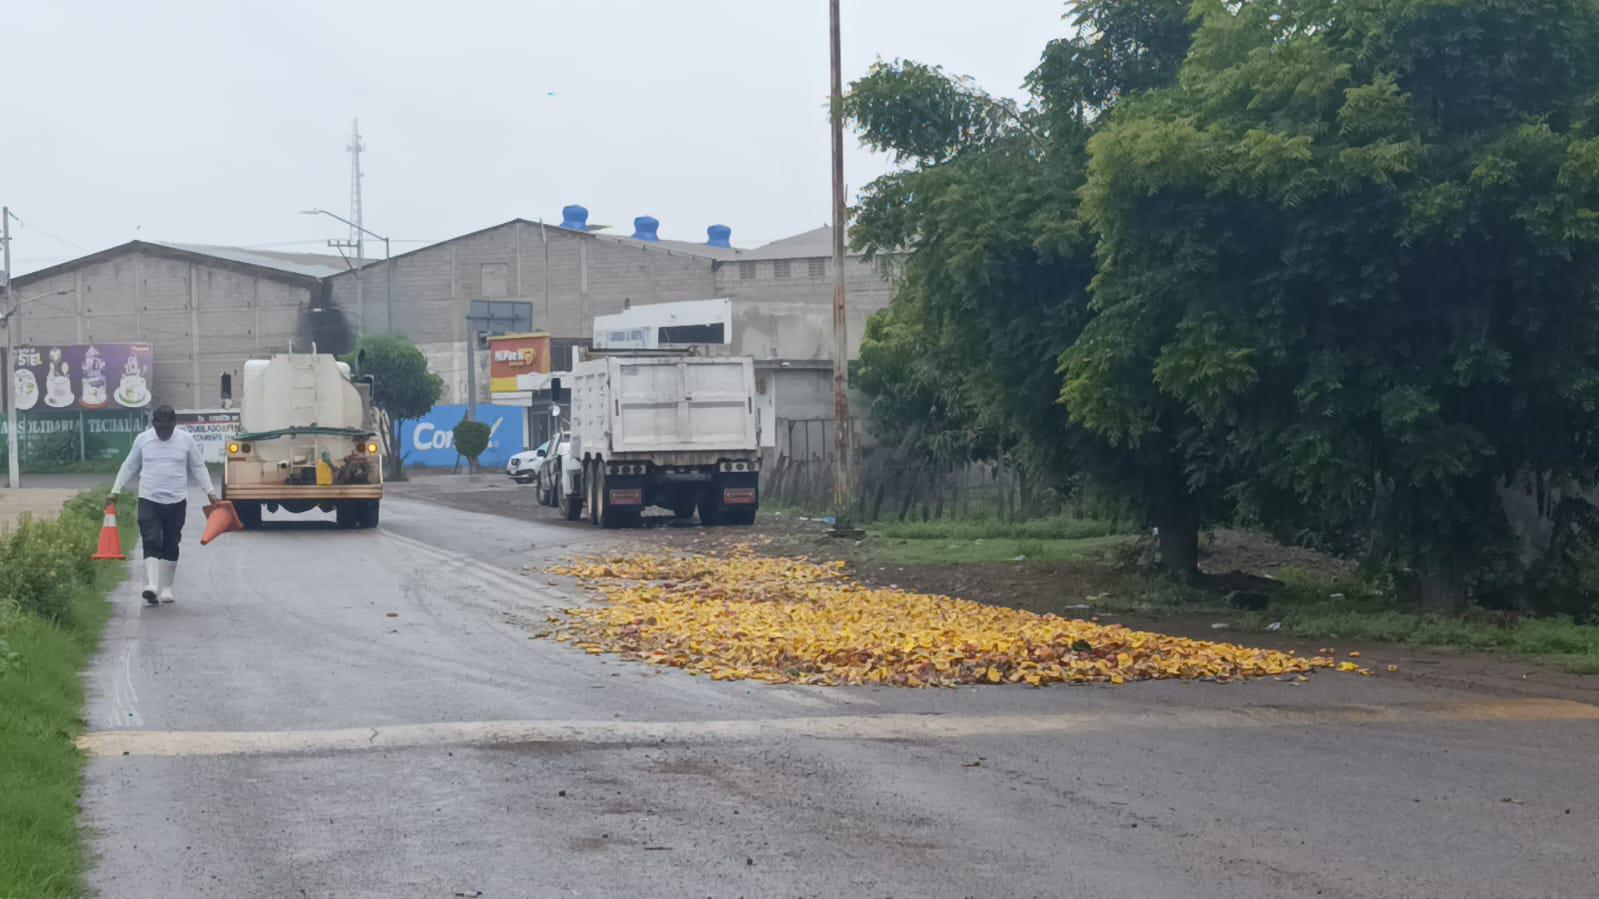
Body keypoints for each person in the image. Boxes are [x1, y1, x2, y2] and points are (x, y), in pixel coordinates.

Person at [111, 405, 220, 606]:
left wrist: (211, 492)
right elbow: (129, 465)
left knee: (171, 542)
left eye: (167, 428)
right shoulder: (143, 440)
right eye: (160, 428)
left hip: (176, 500)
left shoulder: (186, 440)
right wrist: (116, 490)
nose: (163, 432)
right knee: (151, 538)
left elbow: (198, 467)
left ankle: (167, 588)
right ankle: (151, 586)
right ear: (154, 424)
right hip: (149, 498)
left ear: (174, 424)